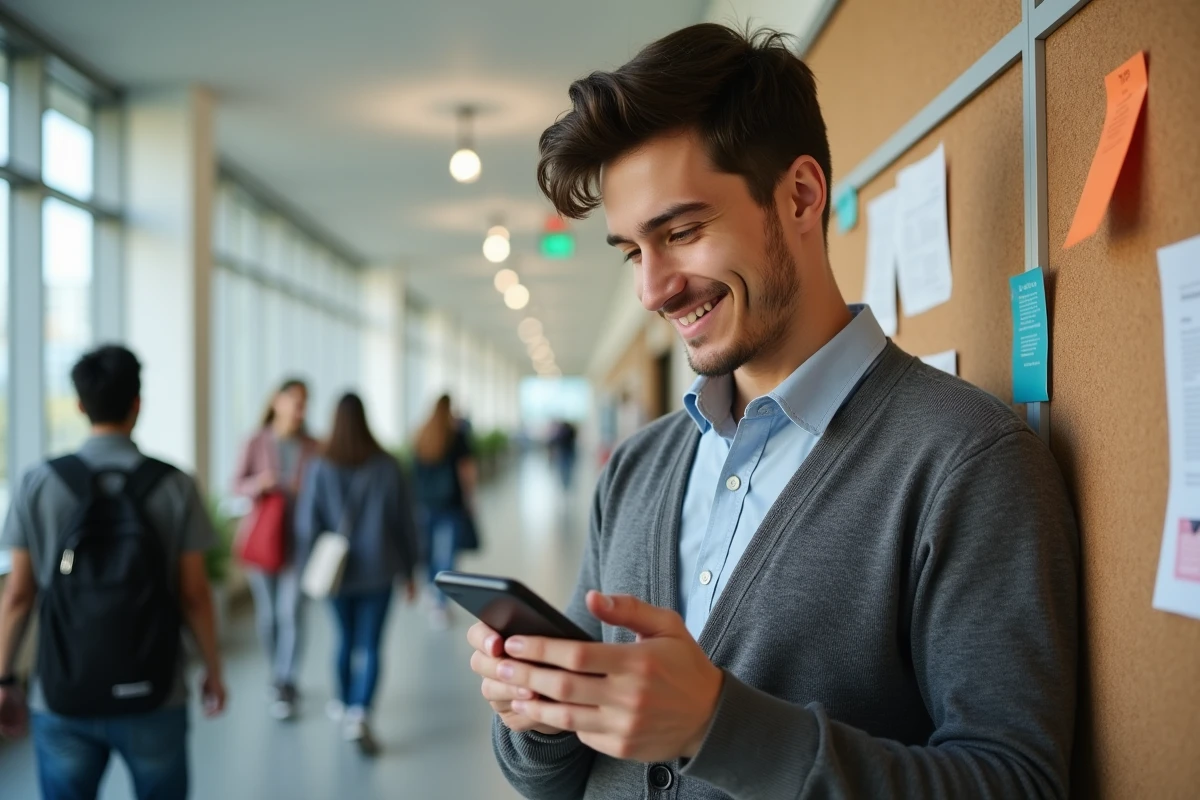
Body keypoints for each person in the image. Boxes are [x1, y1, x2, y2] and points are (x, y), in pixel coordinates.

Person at [468, 23, 1080, 800]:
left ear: (800, 195)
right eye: (632, 252)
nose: (653, 289)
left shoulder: (965, 462)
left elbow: (1016, 784)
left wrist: (719, 728)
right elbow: (555, 782)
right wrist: (541, 715)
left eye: (682, 232)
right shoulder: (636, 469)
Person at [0, 345, 226, 799]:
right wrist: (214, 669)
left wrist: (4, 679)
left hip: (62, 693)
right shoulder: (175, 485)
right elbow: (195, 594)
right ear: (137, 404)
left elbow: (18, 597)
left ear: (80, 405)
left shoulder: (37, 482)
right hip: (156, 690)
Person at [295, 393, 419, 753]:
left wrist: (309, 569)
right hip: (381, 571)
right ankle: (360, 712)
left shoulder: (319, 465)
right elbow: (405, 522)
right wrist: (411, 571)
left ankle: (344, 699)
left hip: (337, 576)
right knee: (372, 644)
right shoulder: (388, 465)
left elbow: (307, 524)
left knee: (345, 640)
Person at [232, 377, 317, 720]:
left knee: (291, 613)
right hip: (263, 540)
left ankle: (287, 680)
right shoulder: (255, 441)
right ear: (277, 401)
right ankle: (276, 671)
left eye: (305, 401)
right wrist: (260, 483)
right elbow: (236, 484)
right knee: (268, 615)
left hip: (300, 540)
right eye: (295, 400)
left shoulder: (313, 445)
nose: (300, 408)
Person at [412, 395, 477, 631]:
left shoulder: (420, 434)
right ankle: (441, 603)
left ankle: (431, 589)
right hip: (451, 504)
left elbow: (413, 472)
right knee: (447, 555)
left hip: (425, 504)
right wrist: (470, 498)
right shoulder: (456, 435)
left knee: (428, 551)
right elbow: (466, 470)